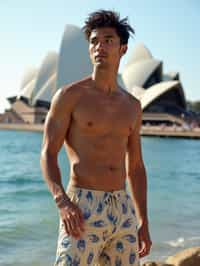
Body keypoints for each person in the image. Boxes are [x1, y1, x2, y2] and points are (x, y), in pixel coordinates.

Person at [40, 9, 152, 266]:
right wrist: (62, 202)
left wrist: (143, 220)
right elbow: (47, 152)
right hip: (82, 206)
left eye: (108, 40)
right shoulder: (69, 96)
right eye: (94, 41)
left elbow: (135, 167)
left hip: (122, 207)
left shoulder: (133, 106)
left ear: (122, 49)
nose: (100, 46)